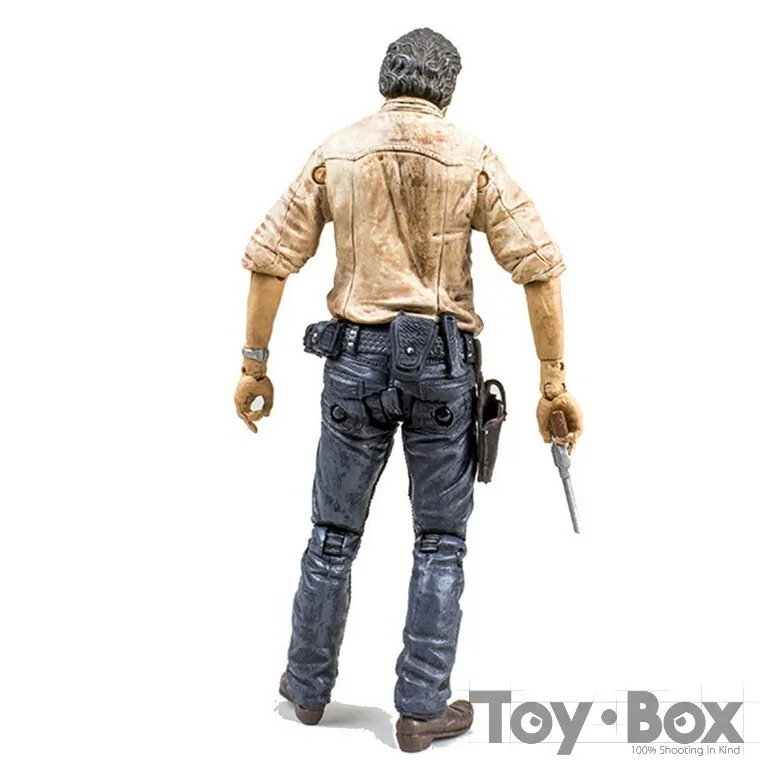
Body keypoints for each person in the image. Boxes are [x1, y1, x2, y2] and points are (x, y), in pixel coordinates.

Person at [234, 27, 583, 753]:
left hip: (353, 364)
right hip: (443, 369)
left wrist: (254, 364)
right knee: (441, 542)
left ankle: (306, 687)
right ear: (447, 90)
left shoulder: (338, 150)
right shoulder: (472, 156)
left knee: (332, 535)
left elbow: (271, 257)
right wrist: (552, 382)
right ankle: (421, 709)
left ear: (384, 79)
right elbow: (539, 266)